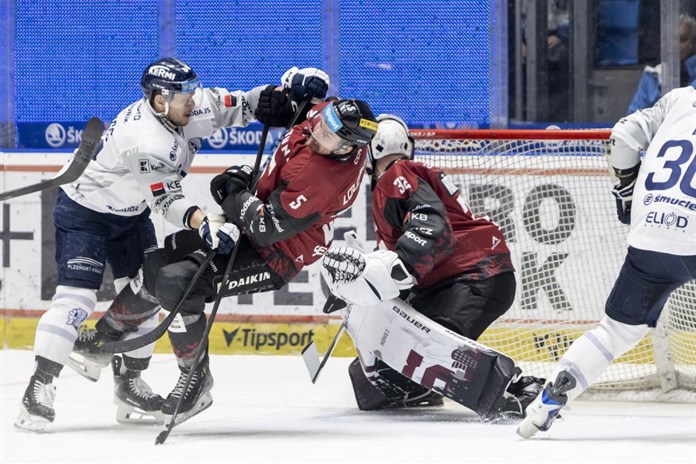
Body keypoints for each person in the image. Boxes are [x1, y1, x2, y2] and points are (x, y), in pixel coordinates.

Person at [14, 56, 329, 431]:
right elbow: (166, 202)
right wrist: (204, 221)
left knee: (147, 293)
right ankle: (38, 388)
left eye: (193, 92)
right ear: (160, 100)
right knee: (76, 300)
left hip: (131, 217)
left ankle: (128, 386)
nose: (193, 101)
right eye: (184, 96)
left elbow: (248, 104)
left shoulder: (192, 105)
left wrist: (286, 92)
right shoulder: (144, 139)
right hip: (85, 212)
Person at [70, 98, 378, 425]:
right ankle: (104, 341)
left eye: (328, 133)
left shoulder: (323, 179)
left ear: (346, 147)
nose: (318, 129)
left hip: (275, 254)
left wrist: (235, 193)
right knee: (158, 263)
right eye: (322, 120)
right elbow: (308, 110)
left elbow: (265, 229)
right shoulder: (331, 125)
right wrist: (295, 93)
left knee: (177, 282)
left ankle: (195, 380)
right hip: (250, 224)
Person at [321, 115, 544, 416]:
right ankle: (420, 393)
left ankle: (520, 389)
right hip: (459, 279)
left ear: (371, 151)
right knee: (375, 382)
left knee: (428, 349)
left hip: (472, 276)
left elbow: (432, 228)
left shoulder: (396, 175)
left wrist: (392, 273)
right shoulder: (403, 177)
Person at [517, 86, 696, 438]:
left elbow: (623, 135)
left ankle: (545, 404)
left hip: (650, 232)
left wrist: (626, 191)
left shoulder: (679, 98)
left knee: (616, 331)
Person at [627, 14, 696, 114]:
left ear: (693, 43)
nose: (676, 45)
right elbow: (633, 116)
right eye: (672, 39)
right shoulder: (652, 77)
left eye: (683, 39)